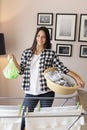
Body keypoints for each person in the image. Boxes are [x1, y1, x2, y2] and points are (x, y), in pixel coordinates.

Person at [8, 26, 85, 130]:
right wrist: (13, 60)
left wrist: (77, 79)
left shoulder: (50, 53)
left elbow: (62, 68)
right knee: (24, 118)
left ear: (47, 39)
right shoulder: (26, 53)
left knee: (44, 120)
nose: (40, 39)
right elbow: (21, 71)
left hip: (46, 92)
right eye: (38, 36)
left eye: (43, 37)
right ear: (35, 37)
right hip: (31, 92)